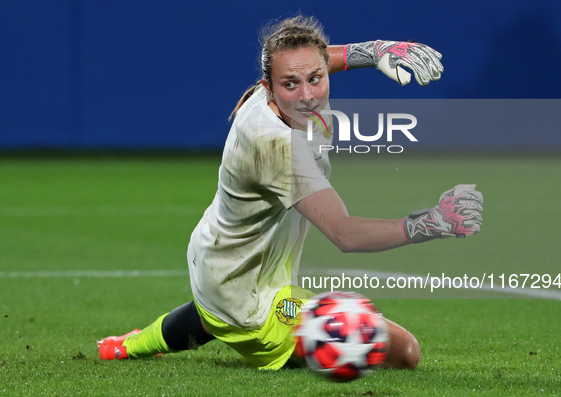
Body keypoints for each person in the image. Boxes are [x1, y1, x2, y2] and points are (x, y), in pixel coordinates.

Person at [97, 15, 483, 371]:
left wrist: (379, 49)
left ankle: (132, 344)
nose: (307, 95)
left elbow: (315, 60)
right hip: (250, 303)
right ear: (269, 86)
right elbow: (345, 234)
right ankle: (218, 327)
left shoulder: (286, 86)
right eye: (290, 85)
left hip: (220, 255)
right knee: (405, 353)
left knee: (214, 308)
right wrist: (434, 222)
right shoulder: (276, 147)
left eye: (315, 78)